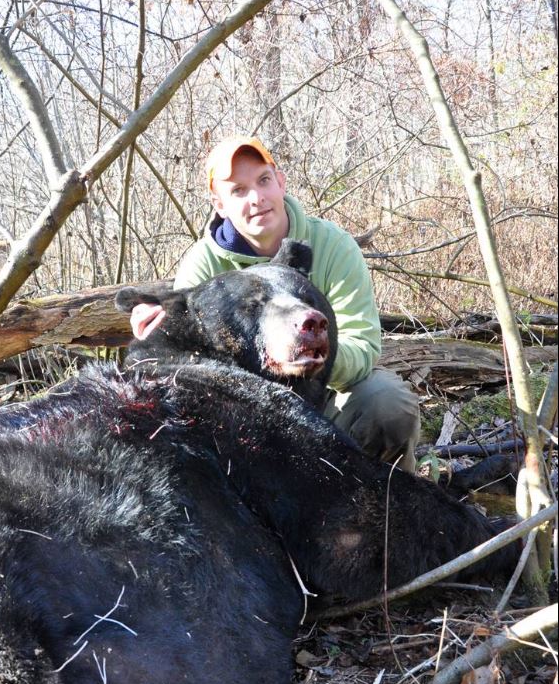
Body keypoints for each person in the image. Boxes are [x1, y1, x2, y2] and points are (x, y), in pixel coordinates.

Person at [129, 135, 421, 472]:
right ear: (219, 204)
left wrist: (311, 355)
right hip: (240, 415)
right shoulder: (202, 265)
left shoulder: (332, 245)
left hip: (322, 395)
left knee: (386, 403)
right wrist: (152, 334)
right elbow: (186, 357)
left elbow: (363, 346)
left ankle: (385, 504)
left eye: (264, 180)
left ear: (280, 181)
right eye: (238, 190)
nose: (257, 198)